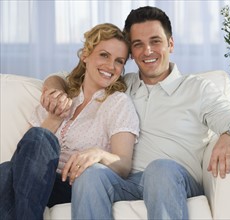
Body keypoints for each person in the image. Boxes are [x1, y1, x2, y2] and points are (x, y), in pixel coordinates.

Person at [42, 6, 230, 220]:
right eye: (138, 44)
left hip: (174, 179)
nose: (147, 51)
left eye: (155, 41)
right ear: (131, 53)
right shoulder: (121, 84)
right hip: (126, 181)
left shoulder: (198, 89)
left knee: (160, 168)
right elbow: (63, 77)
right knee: (90, 175)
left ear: (171, 44)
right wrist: (55, 91)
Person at [0, 23, 139, 220]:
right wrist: (54, 118)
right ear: (85, 55)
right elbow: (24, 154)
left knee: (10, 169)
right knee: (8, 169)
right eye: (104, 55)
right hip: (32, 182)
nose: (110, 66)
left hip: (71, 186)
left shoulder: (118, 102)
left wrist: (99, 154)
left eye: (119, 61)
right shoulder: (61, 95)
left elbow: (124, 164)